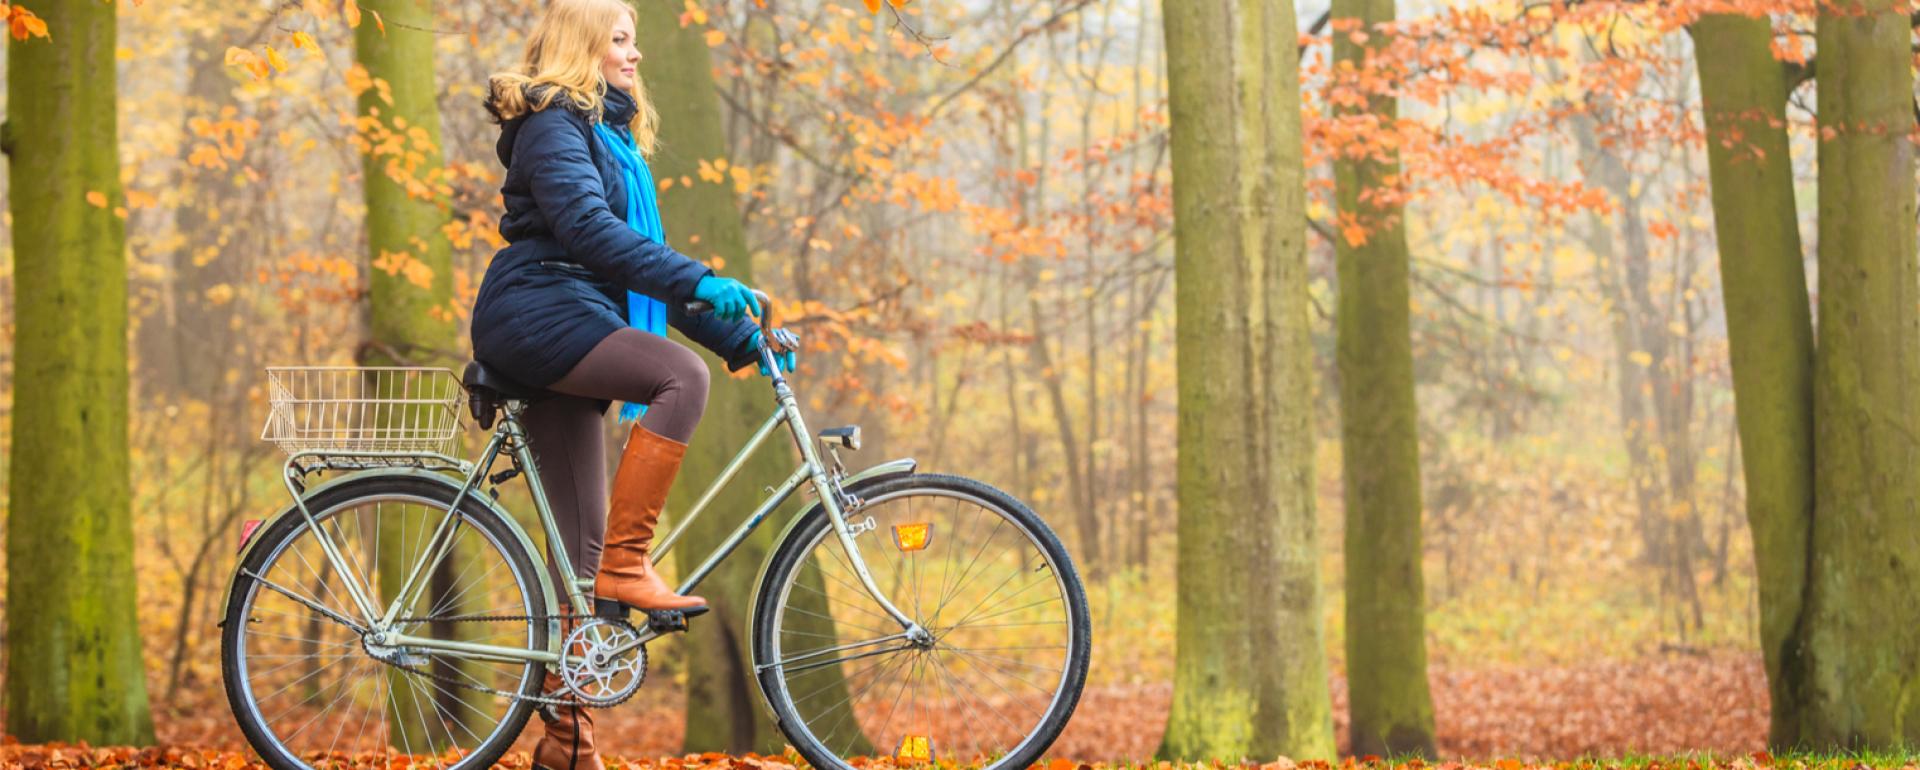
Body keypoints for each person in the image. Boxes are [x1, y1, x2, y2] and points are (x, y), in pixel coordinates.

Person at [471, 1, 796, 768]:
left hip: (574, 314)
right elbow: (590, 235)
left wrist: (744, 338)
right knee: (675, 376)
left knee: (577, 564)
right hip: (538, 311)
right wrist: (705, 279)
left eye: (636, 41)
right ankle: (631, 562)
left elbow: (640, 265)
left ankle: (567, 746)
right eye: (620, 40)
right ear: (584, 45)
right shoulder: (555, 125)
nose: (635, 55)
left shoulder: (610, 139)